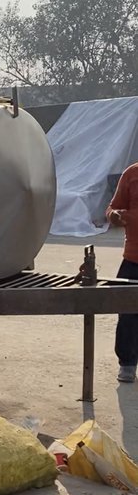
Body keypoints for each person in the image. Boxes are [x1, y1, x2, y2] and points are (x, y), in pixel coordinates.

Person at [106, 163, 138, 382]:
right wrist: (114, 215)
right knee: (127, 313)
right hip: (133, 259)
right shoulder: (132, 174)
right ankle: (127, 363)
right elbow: (112, 208)